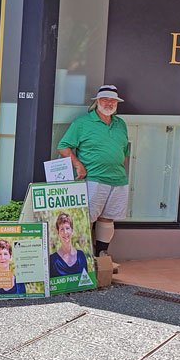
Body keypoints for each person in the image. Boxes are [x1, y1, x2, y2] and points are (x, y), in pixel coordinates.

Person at [58, 85, 129, 256]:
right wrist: (78, 164)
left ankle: (102, 255)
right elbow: (63, 147)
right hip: (93, 178)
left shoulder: (121, 124)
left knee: (108, 218)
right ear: (97, 101)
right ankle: (84, 256)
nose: (109, 103)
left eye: (112, 100)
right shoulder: (82, 123)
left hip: (118, 179)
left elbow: (125, 152)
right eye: (104, 99)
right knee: (86, 219)